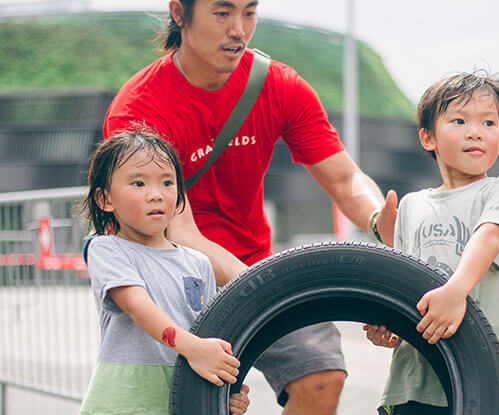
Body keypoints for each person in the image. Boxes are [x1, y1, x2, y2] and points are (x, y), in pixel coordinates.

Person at [102, 0, 397, 413]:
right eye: (222, 13)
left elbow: (345, 178)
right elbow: (179, 232)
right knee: (196, 403)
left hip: (250, 262)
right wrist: (270, 288)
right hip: (170, 275)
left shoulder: (279, 84)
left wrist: (374, 216)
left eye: (250, 12)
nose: (239, 29)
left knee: (320, 375)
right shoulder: (140, 108)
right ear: (179, 12)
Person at [364, 71, 499, 415]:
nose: (475, 131)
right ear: (427, 137)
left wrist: (455, 290)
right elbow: (408, 288)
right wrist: (391, 328)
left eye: (489, 123)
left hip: (491, 375)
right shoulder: (412, 205)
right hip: (419, 382)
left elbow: (490, 234)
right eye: (460, 120)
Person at [79, 129, 250, 414]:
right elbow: (137, 305)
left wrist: (225, 390)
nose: (156, 195)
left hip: (183, 399)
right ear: (104, 199)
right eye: (138, 183)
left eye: (167, 182)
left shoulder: (198, 263)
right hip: (123, 401)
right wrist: (194, 349)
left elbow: (209, 333)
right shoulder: (106, 249)